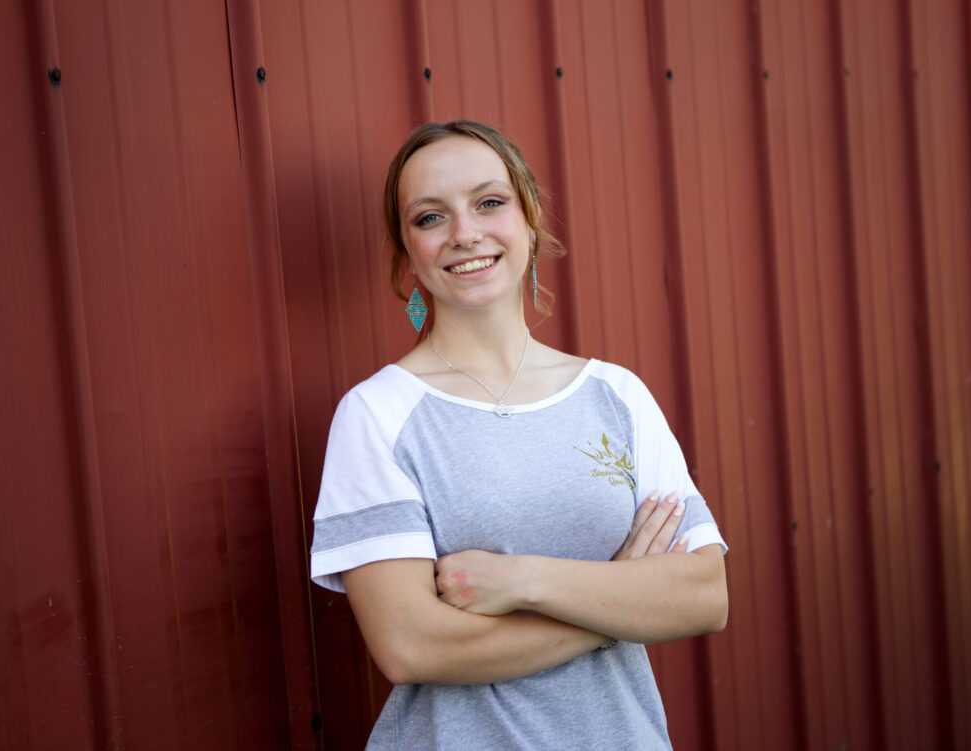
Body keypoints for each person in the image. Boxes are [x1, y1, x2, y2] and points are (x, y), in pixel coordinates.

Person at [310, 120, 728, 750]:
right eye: (430, 217)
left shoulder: (615, 395)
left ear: (530, 221)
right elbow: (410, 646)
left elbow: (704, 595)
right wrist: (620, 600)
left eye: (489, 202)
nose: (465, 233)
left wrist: (524, 580)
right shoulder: (376, 415)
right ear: (407, 252)